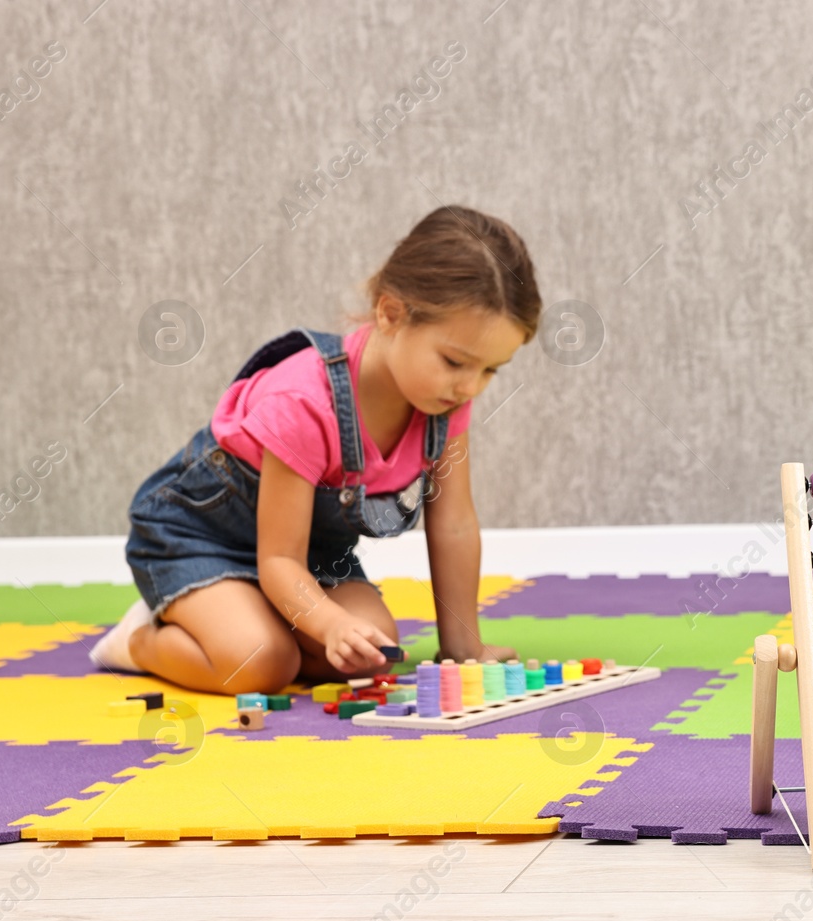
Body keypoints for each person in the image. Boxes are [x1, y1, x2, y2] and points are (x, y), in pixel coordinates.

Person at [88, 206, 538, 695]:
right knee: (263, 665)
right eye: (455, 361)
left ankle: (249, 619)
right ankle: (139, 640)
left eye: (492, 370)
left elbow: (453, 524)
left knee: (372, 654)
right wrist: (326, 625)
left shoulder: (444, 401)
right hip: (201, 540)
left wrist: (463, 650)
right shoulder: (302, 401)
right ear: (390, 314)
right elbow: (278, 559)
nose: (471, 386)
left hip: (308, 556)